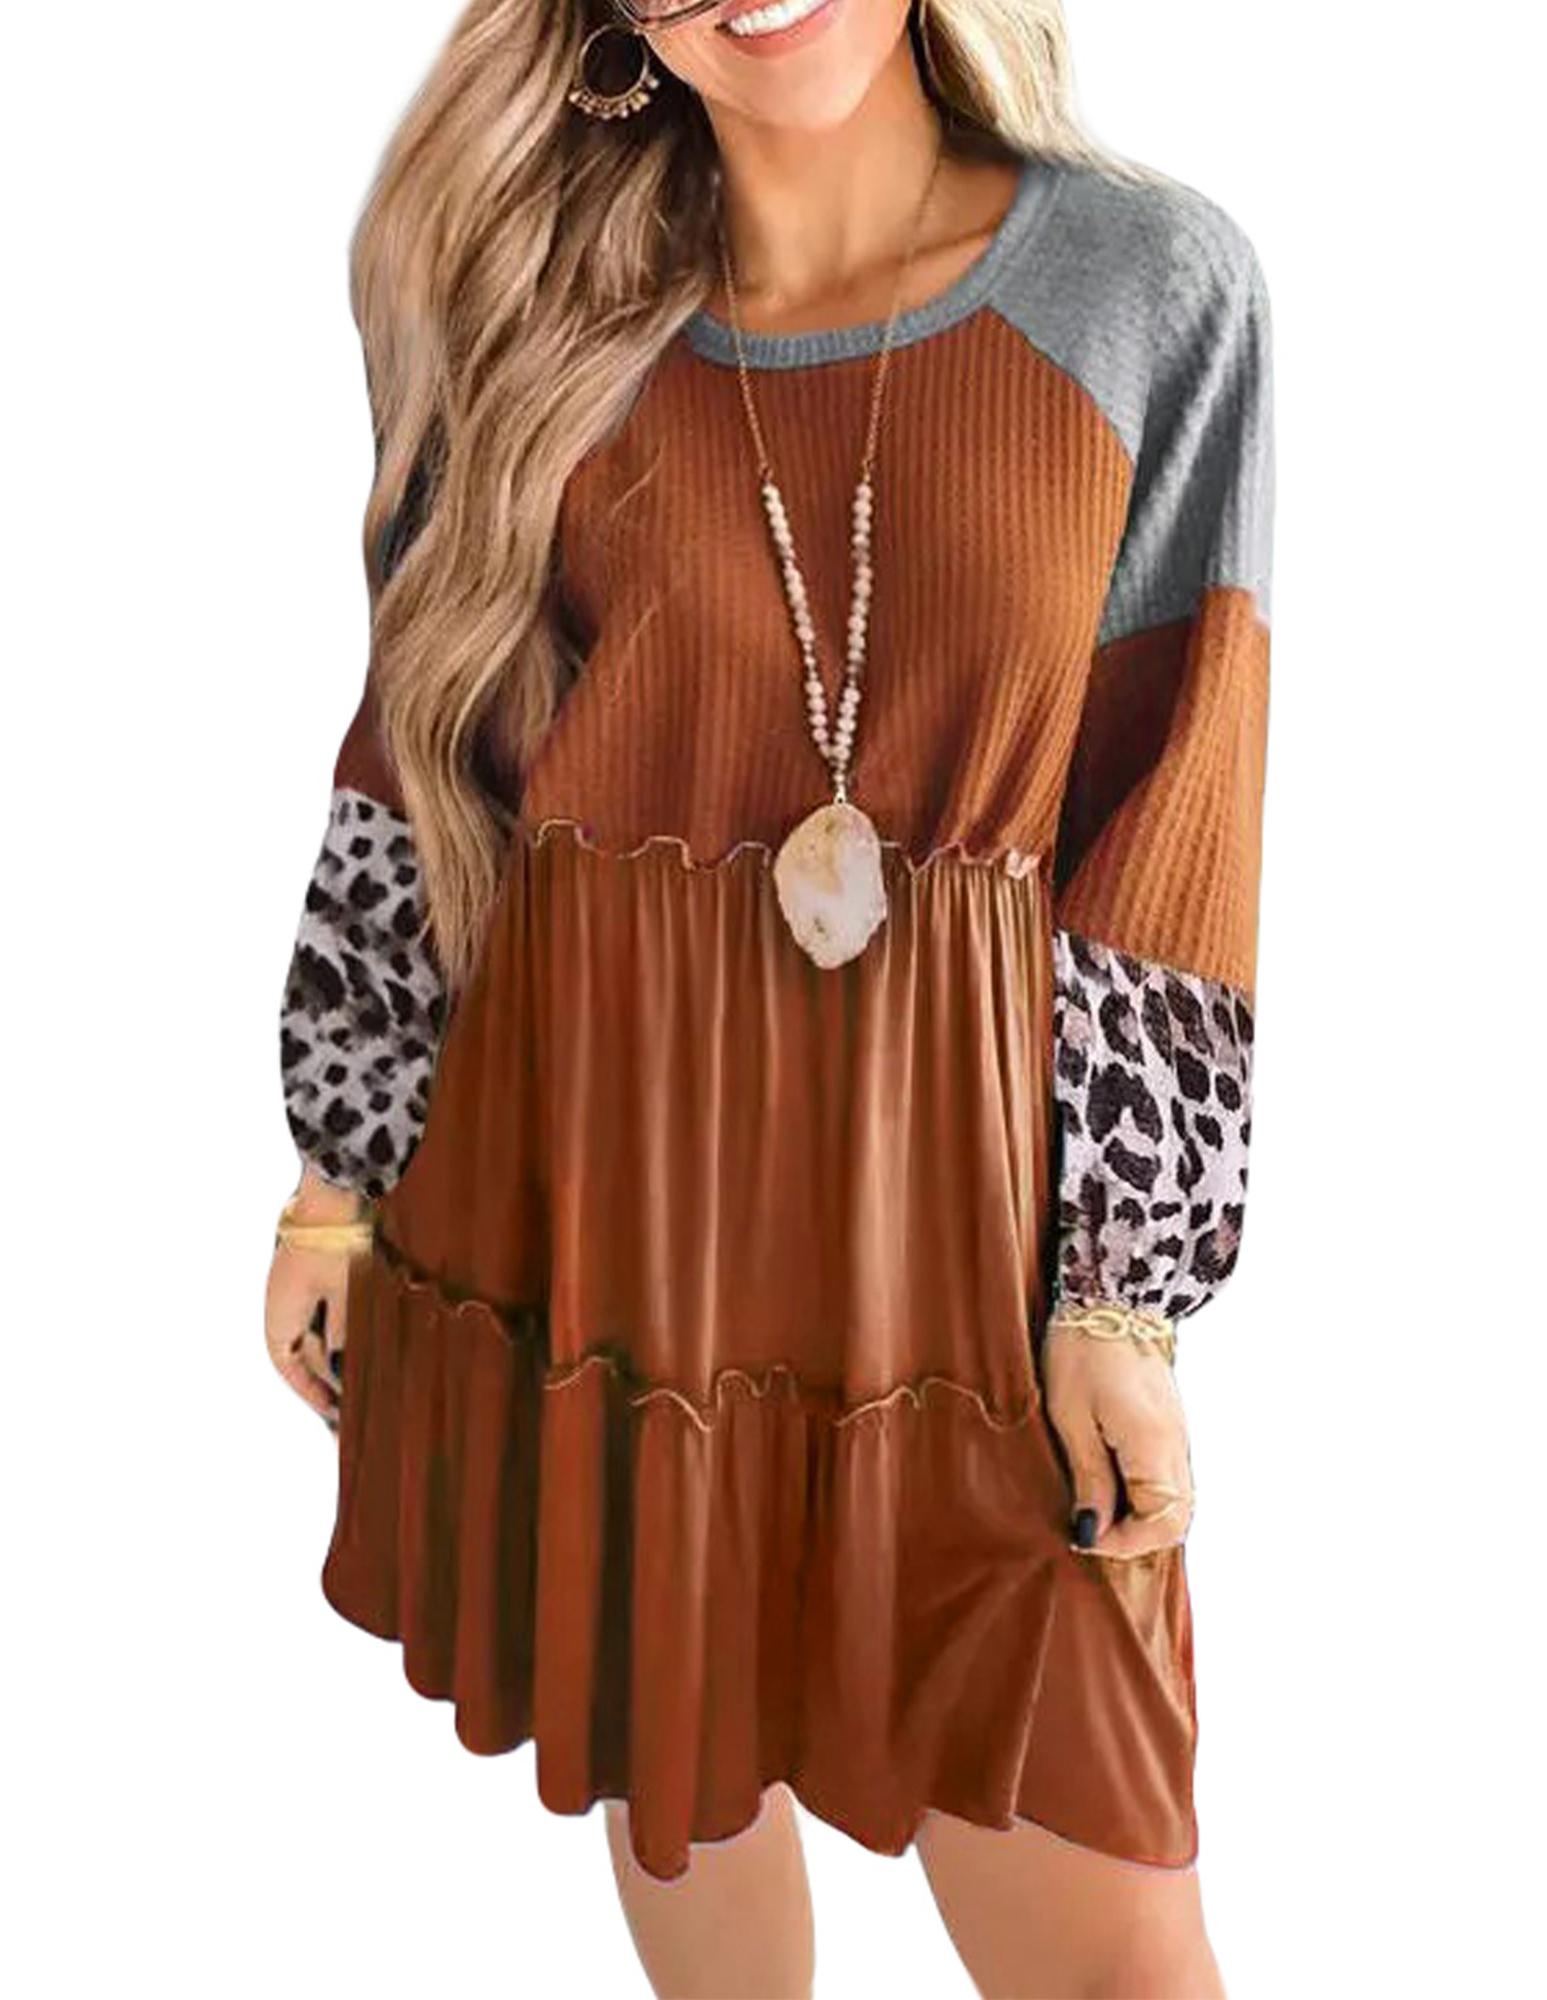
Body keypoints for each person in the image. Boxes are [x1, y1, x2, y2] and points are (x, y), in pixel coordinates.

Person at [263, 1, 1274, 1992]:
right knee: (686, 1790)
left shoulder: (1143, 282)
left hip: (960, 1215)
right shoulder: (540, 310)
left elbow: (1181, 792)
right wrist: (336, 1165)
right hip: (612, 1171)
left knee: (1113, 1937)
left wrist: (1119, 1292)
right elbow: (428, 756)